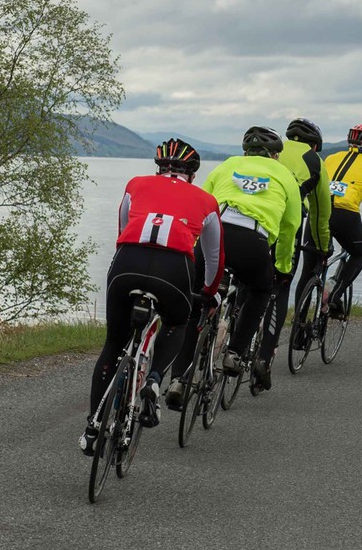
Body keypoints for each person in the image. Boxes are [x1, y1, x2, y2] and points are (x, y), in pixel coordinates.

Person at [79, 138, 225, 456]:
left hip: (127, 263)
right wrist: (209, 294)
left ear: (159, 168)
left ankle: (92, 429)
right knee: (177, 321)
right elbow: (214, 259)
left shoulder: (135, 184)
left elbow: (122, 229)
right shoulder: (207, 200)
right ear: (193, 175)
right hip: (175, 271)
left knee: (113, 344)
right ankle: (155, 379)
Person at [167, 126, 301, 402]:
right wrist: (283, 267)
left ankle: (178, 380)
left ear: (245, 151)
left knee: (198, 304)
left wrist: (193, 249)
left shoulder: (227, 166)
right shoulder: (285, 176)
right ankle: (235, 352)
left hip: (214, 236)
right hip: (253, 241)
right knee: (261, 291)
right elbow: (290, 227)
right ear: (275, 155)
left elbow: (200, 203)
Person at [259, 117, 332, 368]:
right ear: (314, 146)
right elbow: (320, 213)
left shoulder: (274, 150)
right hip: (288, 219)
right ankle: (264, 358)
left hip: (254, 216)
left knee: (252, 275)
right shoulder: (315, 162)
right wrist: (323, 246)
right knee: (282, 282)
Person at [310, 124, 362, 318]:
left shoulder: (330, 158)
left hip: (319, 212)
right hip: (346, 215)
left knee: (311, 267)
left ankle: (301, 319)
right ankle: (336, 296)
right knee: (360, 252)